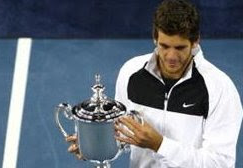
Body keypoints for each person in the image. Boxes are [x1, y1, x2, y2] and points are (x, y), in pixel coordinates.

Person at [66, 0, 243, 167]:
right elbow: (124, 136)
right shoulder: (131, 72)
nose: (171, 57)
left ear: (195, 41)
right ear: (154, 38)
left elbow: (220, 163)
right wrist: (94, 144)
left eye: (180, 48)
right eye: (164, 46)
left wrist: (160, 145)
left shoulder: (219, 88)